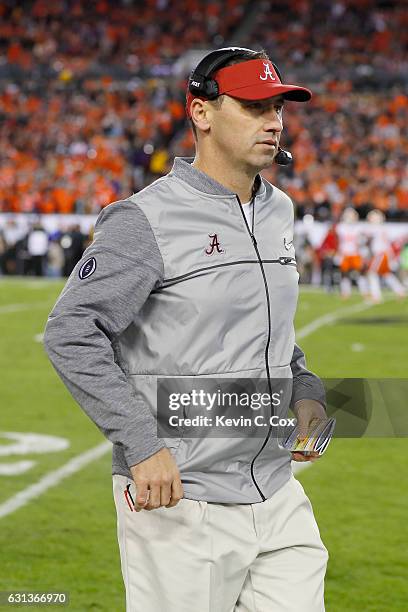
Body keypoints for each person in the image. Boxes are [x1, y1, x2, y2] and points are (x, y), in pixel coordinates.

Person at [44, 47, 329, 612]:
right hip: (179, 501)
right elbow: (72, 330)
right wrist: (142, 447)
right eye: (253, 106)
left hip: (276, 493)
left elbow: (268, 330)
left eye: (278, 106)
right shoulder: (144, 219)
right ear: (202, 112)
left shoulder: (280, 211)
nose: (274, 120)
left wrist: (306, 388)